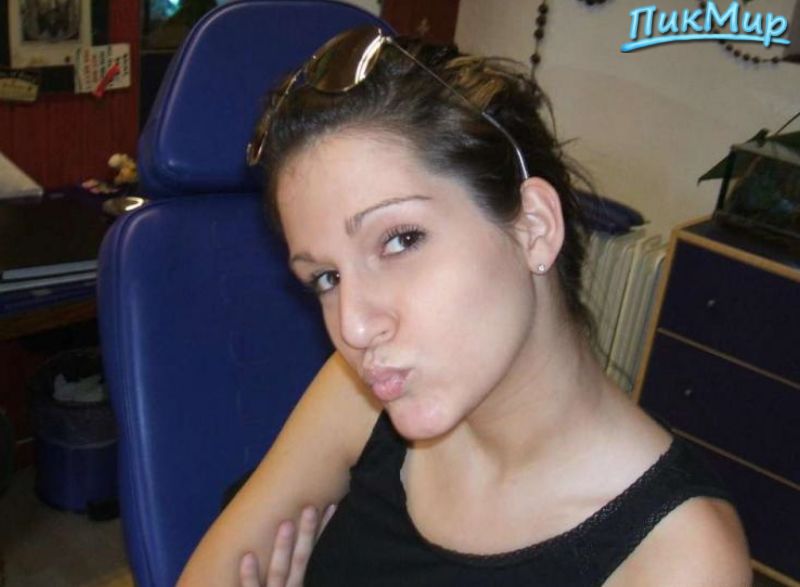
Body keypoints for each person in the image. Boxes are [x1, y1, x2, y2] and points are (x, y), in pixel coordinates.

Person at [178, 26, 751, 586]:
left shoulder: (680, 558)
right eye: (325, 277)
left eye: (400, 240)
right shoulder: (360, 398)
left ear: (533, 227)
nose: (354, 326)